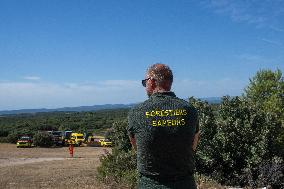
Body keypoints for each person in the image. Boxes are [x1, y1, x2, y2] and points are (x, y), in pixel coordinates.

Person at [127, 63, 200, 189]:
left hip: (150, 183)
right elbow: (193, 145)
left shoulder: (137, 112)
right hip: (185, 183)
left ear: (151, 81)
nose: (145, 87)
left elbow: (137, 148)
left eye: (145, 83)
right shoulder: (190, 110)